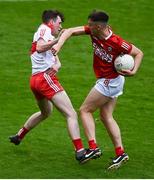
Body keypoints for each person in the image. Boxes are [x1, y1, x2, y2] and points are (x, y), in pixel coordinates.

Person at [51, 10, 144, 170]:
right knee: (106, 116)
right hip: (113, 81)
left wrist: (134, 71)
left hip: (109, 82)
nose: (88, 27)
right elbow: (70, 31)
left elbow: (138, 53)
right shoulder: (93, 32)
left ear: (100, 26)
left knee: (85, 110)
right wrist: (58, 45)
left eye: (91, 25)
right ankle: (120, 152)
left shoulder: (116, 42)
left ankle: (93, 147)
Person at [9, 10, 101, 163]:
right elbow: (39, 47)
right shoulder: (44, 29)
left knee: (45, 112)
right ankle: (80, 151)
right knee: (71, 113)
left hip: (35, 81)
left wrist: (57, 65)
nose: (60, 26)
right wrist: (56, 40)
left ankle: (19, 135)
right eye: (59, 23)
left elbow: (54, 59)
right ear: (51, 22)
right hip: (45, 79)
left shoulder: (47, 35)